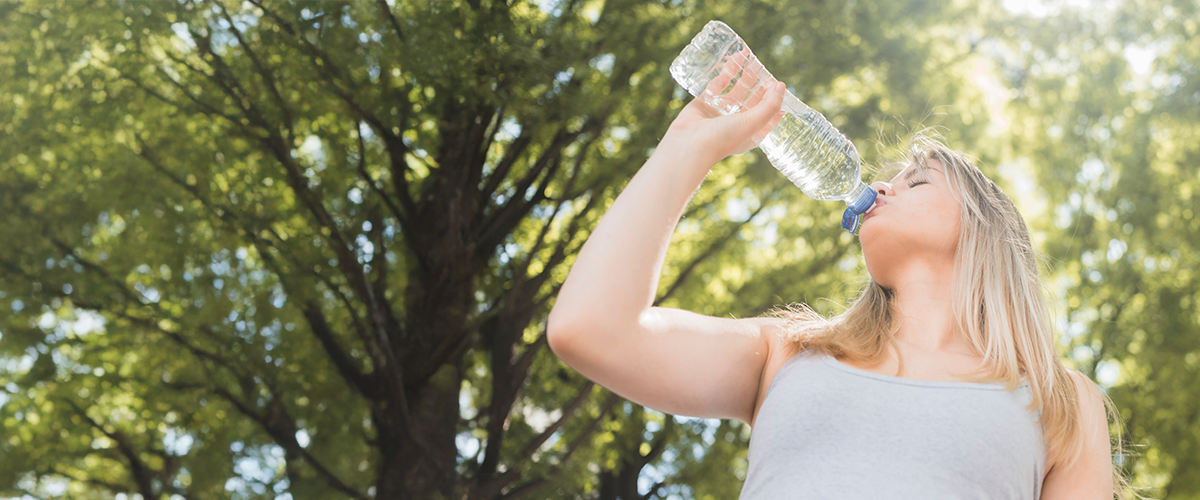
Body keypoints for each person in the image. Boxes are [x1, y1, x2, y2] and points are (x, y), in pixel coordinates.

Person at [546, 80, 1123, 498]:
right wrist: (688, 145)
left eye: (916, 180)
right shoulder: (787, 352)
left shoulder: (1061, 399)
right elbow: (591, 329)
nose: (880, 188)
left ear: (983, 228)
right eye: (888, 179)